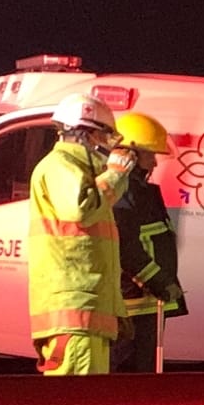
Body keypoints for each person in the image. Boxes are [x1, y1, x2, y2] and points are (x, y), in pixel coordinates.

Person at [26, 93, 137, 375]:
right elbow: (81, 210)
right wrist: (115, 174)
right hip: (74, 314)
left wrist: (114, 309)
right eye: (103, 136)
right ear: (83, 134)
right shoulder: (61, 165)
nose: (108, 147)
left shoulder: (81, 172)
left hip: (86, 312)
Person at [111, 111, 184, 374]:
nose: (154, 163)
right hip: (134, 304)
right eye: (149, 154)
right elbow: (127, 249)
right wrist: (161, 282)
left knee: (146, 375)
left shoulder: (142, 191)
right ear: (130, 154)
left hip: (147, 303)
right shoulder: (123, 193)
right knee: (131, 379)